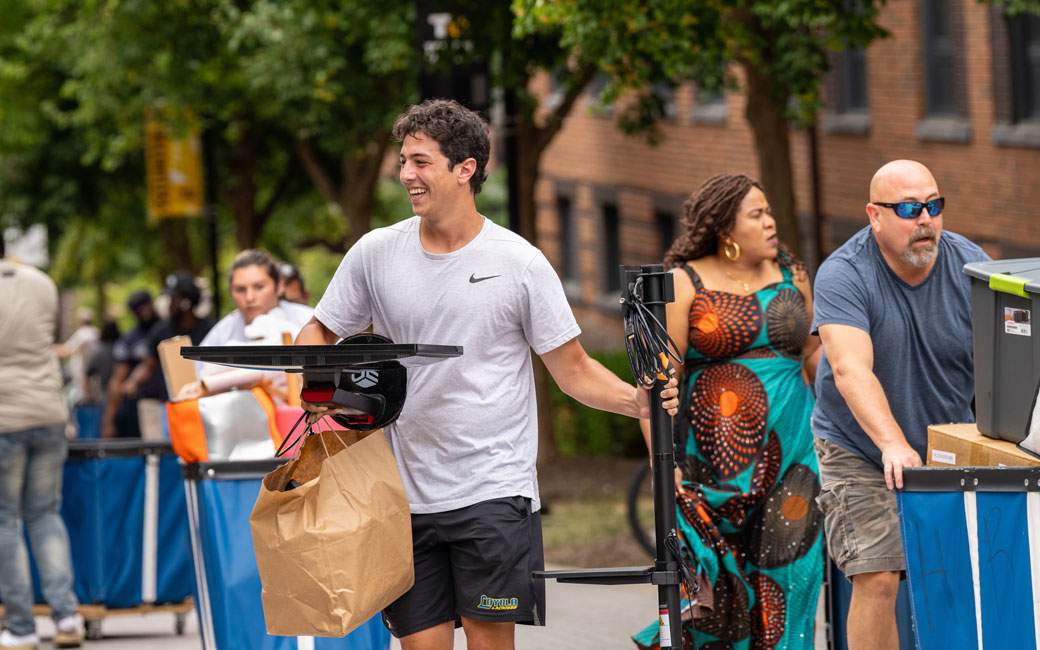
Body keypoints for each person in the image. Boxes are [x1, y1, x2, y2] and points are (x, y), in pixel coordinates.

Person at [295, 98, 678, 650]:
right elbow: (317, 332)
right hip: (403, 493)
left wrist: (634, 401)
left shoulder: (519, 262)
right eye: (404, 161)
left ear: (465, 168)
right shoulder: (375, 253)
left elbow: (572, 369)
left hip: (492, 491)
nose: (406, 175)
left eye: (421, 162)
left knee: (487, 644)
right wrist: (322, 388)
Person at [632, 174, 824, 650]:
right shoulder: (684, 281)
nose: (771, 222)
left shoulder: (792, 271)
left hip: (795, 455)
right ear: (725, 228)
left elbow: (816, 354)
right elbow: (655, 385)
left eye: (769, 211)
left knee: (791, 581)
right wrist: (663, 466)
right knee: (724, 592)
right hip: (713, 466)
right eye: (757, 214)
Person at [811, 160, 989, 650]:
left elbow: (1003, 360)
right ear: (875, 215)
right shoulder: (844, 274)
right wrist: (892, 444)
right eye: (910, 208)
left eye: (934, 205)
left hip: (947, 442)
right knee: (879, 574)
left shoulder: (970, 264)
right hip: (861, 448)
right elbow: (849, 369)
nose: (925, 219)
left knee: (955, 576)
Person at [0, 237, 84, 649]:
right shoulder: (42, 282)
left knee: (5, 520)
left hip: (4, 417)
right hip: (49, 412)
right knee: (45, 514)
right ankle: (67, 618)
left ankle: (21, 627)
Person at [178, 250, 313, 401]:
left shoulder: (308, 321)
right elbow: (194, 383)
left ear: (279, 285)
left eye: (259, 287)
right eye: (240, 290)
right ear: (230, 292)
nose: (250, 297)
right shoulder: (222, 333)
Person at [122, 272, 214, 439]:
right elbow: (149, 365)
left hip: (205, 403)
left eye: (173, 299)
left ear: (186, 302)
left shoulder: (210, 329)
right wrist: (133, 381)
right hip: (172, 405)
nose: (169, 305)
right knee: (172, 455)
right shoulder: (161, 330)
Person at [101, 290, 160, 438]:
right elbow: (118, 381)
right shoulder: (129, 341)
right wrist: (109, 421)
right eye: (138, 308)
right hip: (145, 405)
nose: (144, 311)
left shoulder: (168, 329)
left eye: (145, 305)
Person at [55, 306, 99, 407]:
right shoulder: (96, 332)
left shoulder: (82, 334)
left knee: (78, 407)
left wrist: (47, 347)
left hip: (82, 379)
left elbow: (66, 351)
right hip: (93, 377)